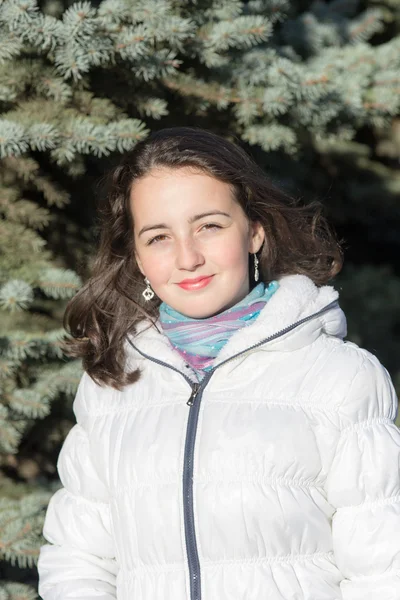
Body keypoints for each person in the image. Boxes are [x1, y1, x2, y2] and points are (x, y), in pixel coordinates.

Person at [37, 127, 400, 600]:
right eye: (159, 237)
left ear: (254, 232)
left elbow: (385, 570)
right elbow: (78, 560)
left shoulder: (340, 378)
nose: (187, 257)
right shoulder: (113, 386)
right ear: (139, 258)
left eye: (209, 225)